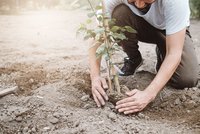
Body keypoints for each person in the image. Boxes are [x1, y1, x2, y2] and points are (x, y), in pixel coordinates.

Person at [88, 0, 199, 114]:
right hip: (139, 24)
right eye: (133, 0)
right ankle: (134, 59)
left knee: (186, 79)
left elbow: (174, 53)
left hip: (172, 32)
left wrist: (148, 94)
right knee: (119, 14)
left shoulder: (176, 2)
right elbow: (98, 38)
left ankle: (163, 48)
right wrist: (95, 77)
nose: (139, 5)